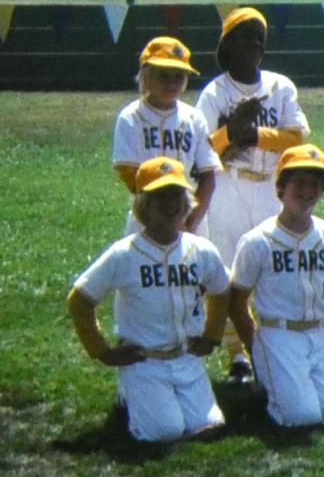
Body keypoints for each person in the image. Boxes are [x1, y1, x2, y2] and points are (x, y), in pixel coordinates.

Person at [67, 156, 231, 443]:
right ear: (143, 204)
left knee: (208, 427)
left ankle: (165, 400)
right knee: (164, 432)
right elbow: (80, 299)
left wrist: (212, 335)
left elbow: (221, 290)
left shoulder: (201, 249)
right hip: (144, 360)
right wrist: (102, 351)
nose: (171, 204)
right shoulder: (126, 253)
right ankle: (129, 394)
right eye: (160, 197)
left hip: (187, 357)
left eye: (177, 195)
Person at [196, 7, 311, 386]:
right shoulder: (214, 92)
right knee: (231, 270)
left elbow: (296, 135)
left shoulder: (280, 86)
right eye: (245, 36)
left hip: (269, 185)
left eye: (259, 37)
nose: (254, 44)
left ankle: (271, 347)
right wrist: (232, 128)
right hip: (230, 184)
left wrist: (253, 135)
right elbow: (204, 147)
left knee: (272, 267)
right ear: (227, 44)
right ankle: (237, 355)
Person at [227, 144, 324, 428]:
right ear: (281, 187)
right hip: (278, 334)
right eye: (299, 181)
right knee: (302, 418)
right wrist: (256, 348)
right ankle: (270, 391)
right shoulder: (257, 240)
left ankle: (292, 386)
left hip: (319, 334)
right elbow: (237, 301)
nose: (307, 190)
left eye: (315, 183)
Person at [111, 36, 219, 236]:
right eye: (164, 75)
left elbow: (208, 177)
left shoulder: (194, 118)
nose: (171, 83)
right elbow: (131, 176)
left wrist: (191, 221)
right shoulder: (131, 117)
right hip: (146, 218)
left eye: (178, 76)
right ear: (146, 75)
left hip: (189, 216)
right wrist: (167, 219)